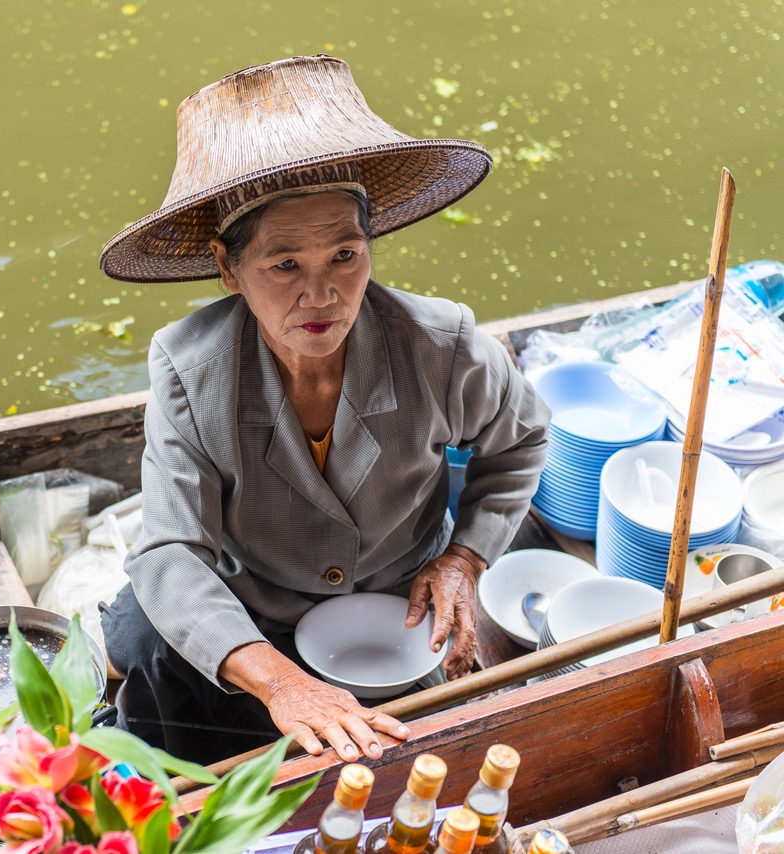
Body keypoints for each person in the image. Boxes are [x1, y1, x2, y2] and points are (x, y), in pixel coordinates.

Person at [98, 55, 550, 767]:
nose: (323, 293)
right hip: (254, 609)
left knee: (400, 765)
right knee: (153, 658)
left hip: (395, 610)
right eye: (284, 265)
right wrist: (282, 684)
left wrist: (465, 556)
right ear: (227, 266)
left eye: (345, 253)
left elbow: (521, 442)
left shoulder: (442, 344)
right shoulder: (188, 369)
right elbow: (172, 552)